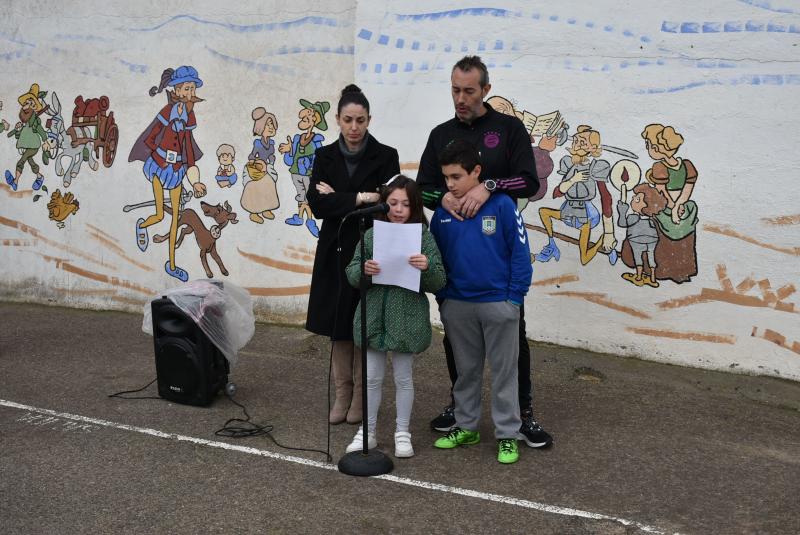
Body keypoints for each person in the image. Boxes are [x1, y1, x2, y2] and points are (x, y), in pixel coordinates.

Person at [416, 55, 552, 449]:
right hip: (458, 267)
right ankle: (462, 411)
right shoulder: (440, 134)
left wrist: (488, 185)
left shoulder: (508, 129)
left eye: (468, 91)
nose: (460, 98)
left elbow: (529, 182)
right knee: (456, 343)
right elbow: (422, 187)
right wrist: (442, 198)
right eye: (455, 90)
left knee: (514, 340)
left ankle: (522, 414)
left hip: (497, 261)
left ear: (485, 90)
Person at [430, 140, 532, 464]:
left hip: (498, 304)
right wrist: (444, 300)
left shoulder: (502, 205)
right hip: (457, 305)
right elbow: (436, 259)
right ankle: (466, 426)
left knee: (504, 372)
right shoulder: (443, 213)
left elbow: (520, 255)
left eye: (456, 176)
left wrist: (513, 299)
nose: (450, 184)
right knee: (466, 372)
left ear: (476, 172)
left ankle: (507, 435)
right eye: (446, 177)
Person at [306, 84, 400, 425]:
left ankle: (361, 394)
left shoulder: (386, 155)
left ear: (369, 119)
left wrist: (343, 197)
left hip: (369, 247)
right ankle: (342, 392)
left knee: (364, 324)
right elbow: (317, 205)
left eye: (361, 120)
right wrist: (361, 197)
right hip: (333, 250)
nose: (354, 127)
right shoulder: (324, 156)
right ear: (338, 120)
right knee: (338, 326)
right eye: (348, 119)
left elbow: (387, 201)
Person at [343, 175, 445, 457]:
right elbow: (352, 272)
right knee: (372, 378)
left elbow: (439, 281)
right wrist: (363, 270)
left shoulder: (424, 237)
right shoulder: (373, 235)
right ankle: (368, 431)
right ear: (383, 205)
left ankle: (402, 432)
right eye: (392, 203)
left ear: (414, 207)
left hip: (407, 318)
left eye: (405, 204)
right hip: (373, 315)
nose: (398, 209)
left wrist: (426, 268)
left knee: (403, 378)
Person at [128, 66, 208, 282]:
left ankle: (172, 264)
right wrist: (161, 156)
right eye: (188, 88)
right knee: (160, 215)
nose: (191, 93)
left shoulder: (189, 116)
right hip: (158, 166)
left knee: (175, 221)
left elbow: (189, 147)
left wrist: (195, 181)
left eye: (193, 88)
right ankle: (142, 225)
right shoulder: (166, 112)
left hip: (177, 172)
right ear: (178, 90)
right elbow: (150, 137)